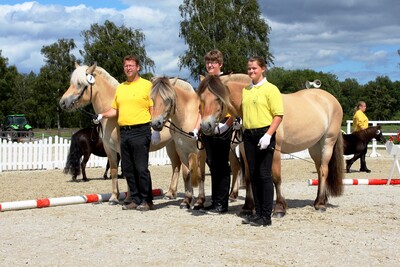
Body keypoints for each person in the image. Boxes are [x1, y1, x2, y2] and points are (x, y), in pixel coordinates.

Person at [93, 55, 155, 211]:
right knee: (127, 168)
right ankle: (134, 199)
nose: (128, 68)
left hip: (141, 130)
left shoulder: (147, 85)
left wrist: (153, 129)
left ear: (138, 67)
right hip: (125, 132)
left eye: (131, 66)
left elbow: (152, 108)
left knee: (141, 168)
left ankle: (147, 201)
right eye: (126, 66)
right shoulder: (121, 88)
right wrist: (101, 115)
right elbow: (115, 110)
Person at [241, 56, 284, 227]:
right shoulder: (246, 90)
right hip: (248, 135)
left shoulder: (271, 89)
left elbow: (278, 115)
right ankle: (257, 213)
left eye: (254, 68)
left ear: (263, 69)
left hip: (264, 133)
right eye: (249, 68)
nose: (251, 71)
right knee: (253, 174)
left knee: (265, 174)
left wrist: (268, 135)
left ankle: (266, 216)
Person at [200, 49, 234, 214]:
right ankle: (215, 201)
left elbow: (234, 106)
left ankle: (222, 203)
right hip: (207, 125)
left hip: (222, 126)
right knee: (212, 164)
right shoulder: (205, 82)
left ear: (220, 64)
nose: (210, 65)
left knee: (221, 165)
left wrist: (227, 125)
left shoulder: (226, 82)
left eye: (213, 62)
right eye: (208, 62)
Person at [349, 101, 370, 172]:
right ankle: (349, 162)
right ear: (360, 107)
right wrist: (367, 132)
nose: (365, 107)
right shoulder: (359, 113)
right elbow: (361, 125)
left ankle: (363, 166)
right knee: (360, 152)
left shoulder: (361, 113)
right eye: (364, 106)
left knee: (363, 151)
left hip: (361, 135)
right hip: (359, 135)